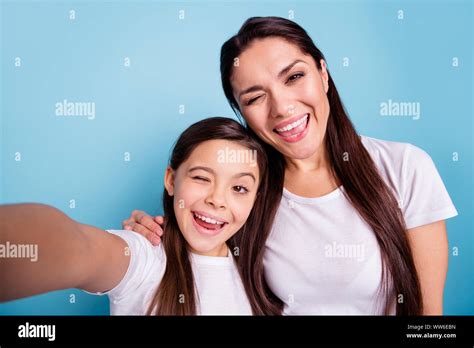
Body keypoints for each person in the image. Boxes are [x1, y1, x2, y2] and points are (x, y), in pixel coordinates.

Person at [122, 17, 458, 315]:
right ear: (242, 113)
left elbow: (429, 318)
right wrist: (147, 239)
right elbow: (200, 249)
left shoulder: (404, 167)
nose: (282, 107)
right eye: (255, 98)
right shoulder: (245, 192)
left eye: (294, 76)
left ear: (323, 74)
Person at [0, 117, 283, 315]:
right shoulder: (144, 255)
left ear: (255, 199)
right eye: (201, 177)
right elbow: (77, 247)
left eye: (239, 188)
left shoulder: (265, 272)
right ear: (171, 181)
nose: (217, 200)